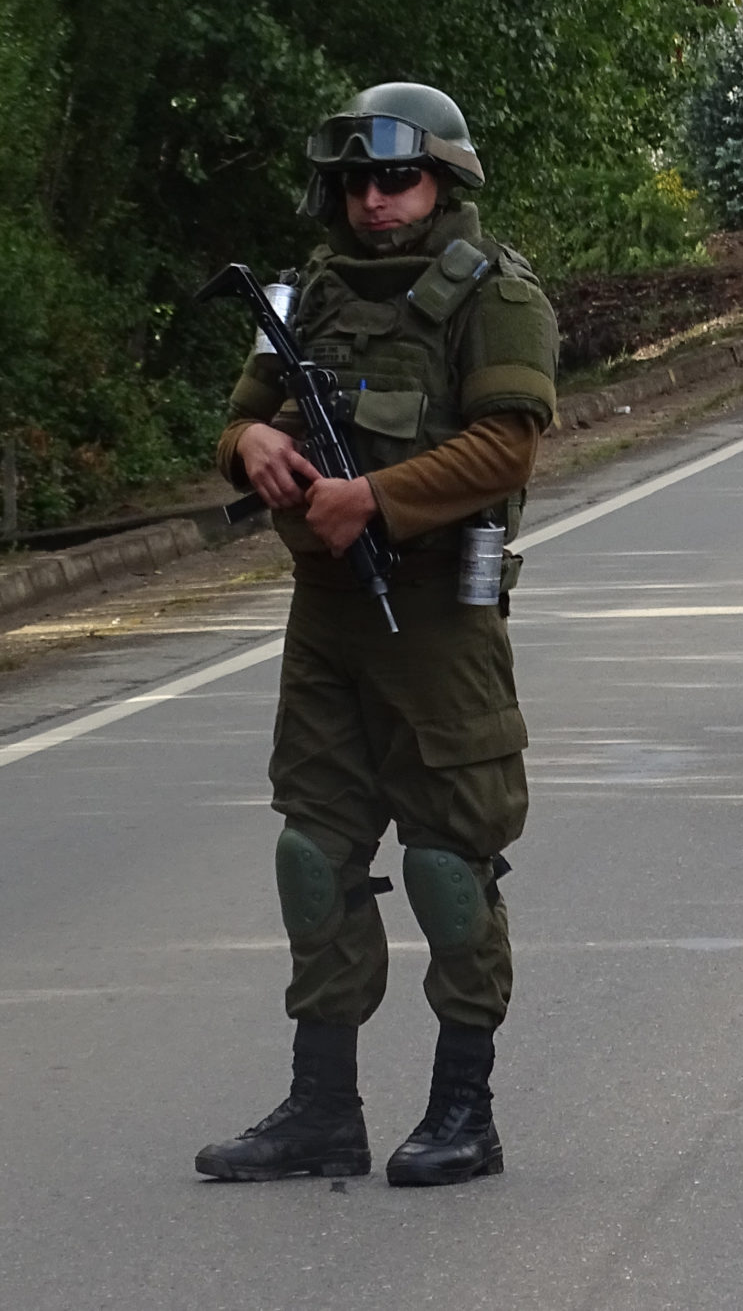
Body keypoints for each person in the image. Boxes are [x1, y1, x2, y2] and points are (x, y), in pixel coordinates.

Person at [197, 82, 558, 1188]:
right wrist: (251, 445)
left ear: (443, 179)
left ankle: (464, 1110)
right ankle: (322, 1108)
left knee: (449, 862)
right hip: (326, 617)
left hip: (436, 616)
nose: (374, 199)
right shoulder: (309, 296)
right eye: (356, 180)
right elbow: (240, 415)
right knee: (313, 855)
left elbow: (507, 446)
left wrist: (380, 499)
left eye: (397, 177)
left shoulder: (494, 293)